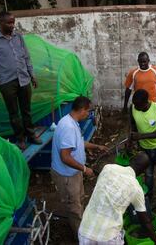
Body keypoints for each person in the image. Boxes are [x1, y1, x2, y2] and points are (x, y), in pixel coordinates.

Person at [51, 96, 107, 235]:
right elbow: (65, 157)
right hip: (67, 175)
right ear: (82, 110)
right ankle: (80, 236)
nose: (88, 114)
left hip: (73, 173)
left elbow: (79, 143)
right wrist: (84, 169)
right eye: (88, 111)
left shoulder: (71, 121)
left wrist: (96, 146)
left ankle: (81, 222)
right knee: (73, 206)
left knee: (79, 198)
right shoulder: (68, 127)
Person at [0, 11, 42, 150]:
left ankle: (31, 134)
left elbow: (26, 57)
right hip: (7, 82)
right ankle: (20, 138)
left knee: (26, 110)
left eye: (13, 22)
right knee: (13, 113)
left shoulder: (19, 37)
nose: (12, 25)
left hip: (23, 79)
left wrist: (32, 75)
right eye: (9, 23)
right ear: (0, 23)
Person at [78, 153, 156, 245]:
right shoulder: (136, 188)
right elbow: (145, 221)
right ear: (143, 171)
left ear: (130, 161)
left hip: (85, 230)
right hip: (108, 237)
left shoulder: (108, 168)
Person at [129, 89, 156, 199]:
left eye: (138, 105)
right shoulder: (133, 108)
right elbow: (133, 125)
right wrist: (131, 140)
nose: (136, 107)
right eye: (135, 105)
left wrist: (141, 136)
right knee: (148, 175)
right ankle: (148, 197)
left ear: (146, 102)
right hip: (144, 149)